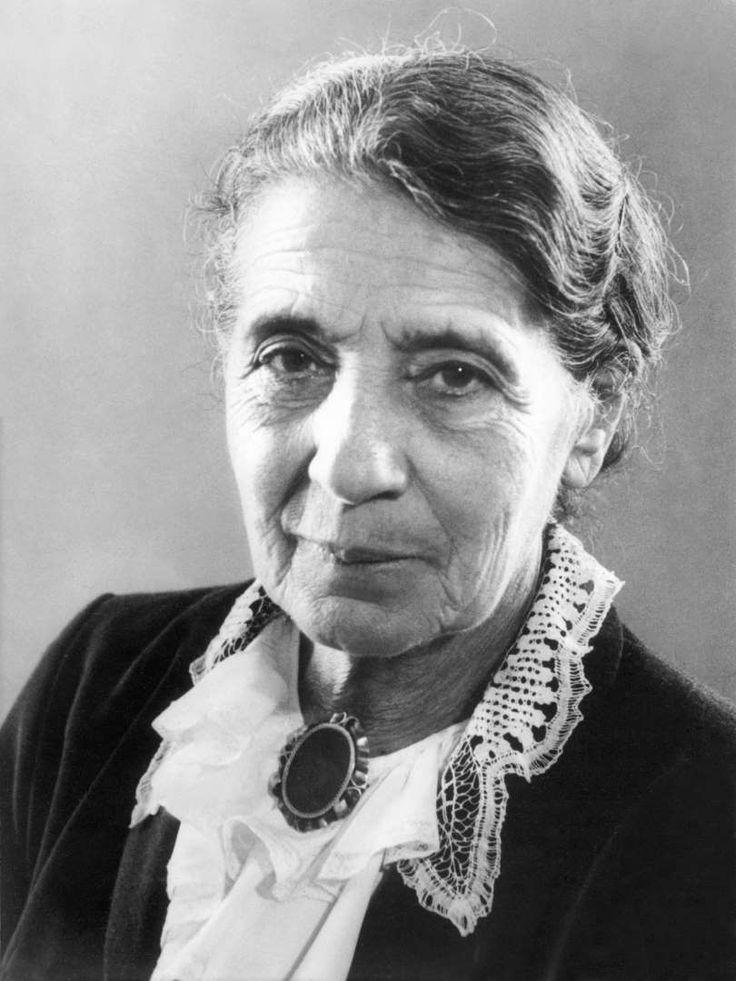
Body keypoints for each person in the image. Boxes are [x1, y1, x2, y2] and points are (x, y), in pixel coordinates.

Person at [2, 43, 735, 981]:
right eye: (292, 359)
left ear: (593, 419)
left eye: (453, 376)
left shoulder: (705, 823)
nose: (350, 466)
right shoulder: (97, 686)